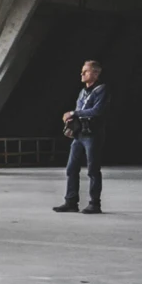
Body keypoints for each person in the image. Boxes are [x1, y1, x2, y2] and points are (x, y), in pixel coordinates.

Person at [53, 60, 108, 214]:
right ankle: (71, 202)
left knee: (93, 170)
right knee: (71, 168)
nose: (82, 74)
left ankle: (94, 204)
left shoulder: (102, 90)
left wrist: (73, 113)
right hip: (79, 135)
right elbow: (80, 110)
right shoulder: (82, 92)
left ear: (96, 74)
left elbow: (96, 111)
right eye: (82, 71)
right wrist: (71, 126)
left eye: (86, 71)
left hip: (93, 135)